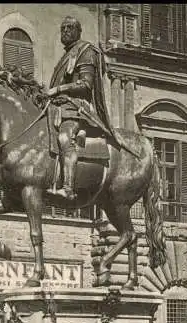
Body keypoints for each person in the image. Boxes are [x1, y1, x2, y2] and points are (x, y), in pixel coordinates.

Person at [46, 16, 112, 200]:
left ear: (78, 31)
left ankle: (68, 188)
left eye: (70, 27)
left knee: (65, 138)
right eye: (63, 28)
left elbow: (85, 84)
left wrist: (59, 89)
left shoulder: (86, 51)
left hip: (76, 110)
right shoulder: (66, 55)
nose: (65, 31)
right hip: (59, 108)